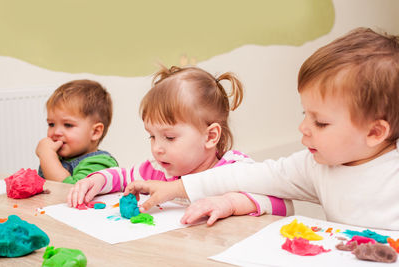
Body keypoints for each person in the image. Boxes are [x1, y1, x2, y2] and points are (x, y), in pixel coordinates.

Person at [125, 27, 399, 230]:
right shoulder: (315, 166)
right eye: (306, 114)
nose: (303, 128)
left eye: (321, 122)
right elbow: (246, 176)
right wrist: (176, 190)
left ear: (375, 133)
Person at [67, 65, 294, 220]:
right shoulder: (158, 171)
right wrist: (97, 179)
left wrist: (231, 203)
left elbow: (282, 205)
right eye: (152, 136)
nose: (157, 148)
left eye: (170, 137)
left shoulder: (235, 169)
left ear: (210, 136)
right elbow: (124, 177)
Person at [36, 79, 118, 184]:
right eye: (51, 124)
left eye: (68, 125)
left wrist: (47, 155)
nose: (56, 132)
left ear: (95, 132)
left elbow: (70, 191)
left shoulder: (100, 164)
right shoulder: (56, 158)